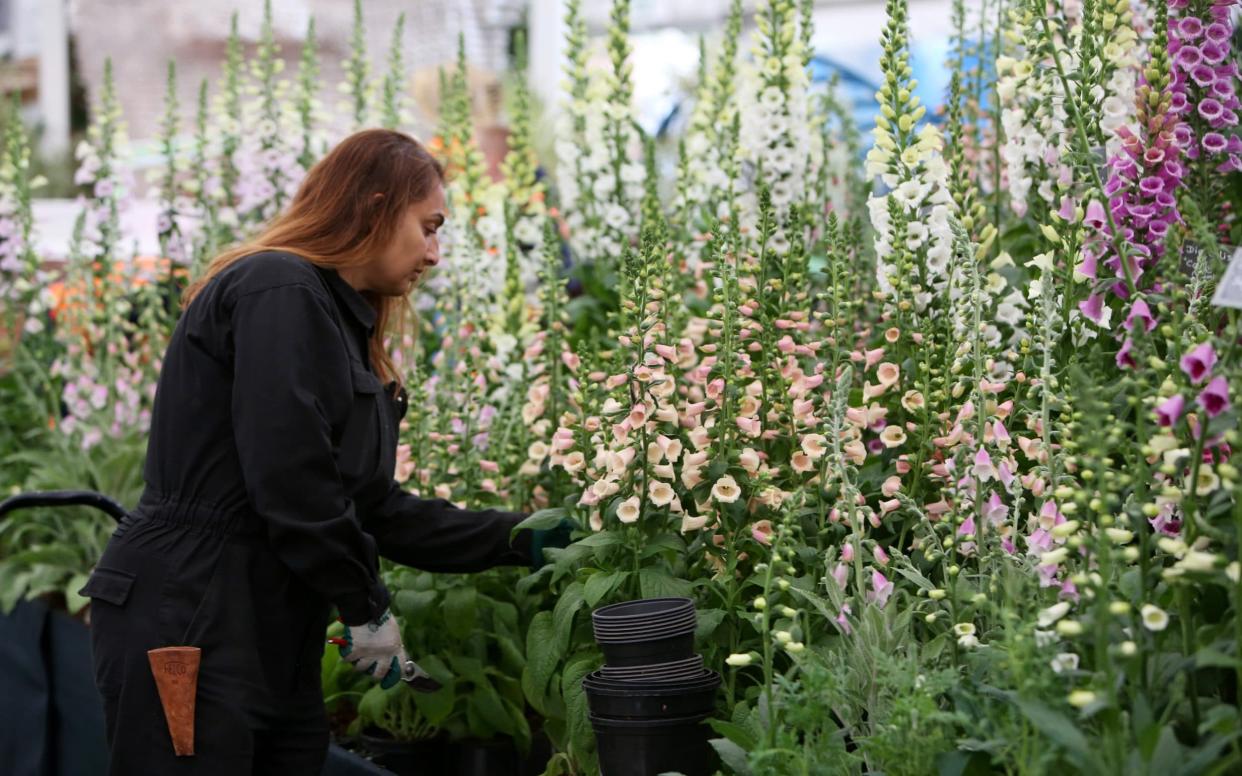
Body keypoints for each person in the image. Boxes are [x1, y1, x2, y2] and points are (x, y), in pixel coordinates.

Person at [79, 129, 570, 774]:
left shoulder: (337, 320)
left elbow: (373, 508)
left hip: (264, 620)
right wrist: (365, 608)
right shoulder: (277, 287)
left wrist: (527, 537)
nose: (435, 253)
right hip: (193, 607)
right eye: (428, 226)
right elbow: (291, 479)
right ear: (372, 206)